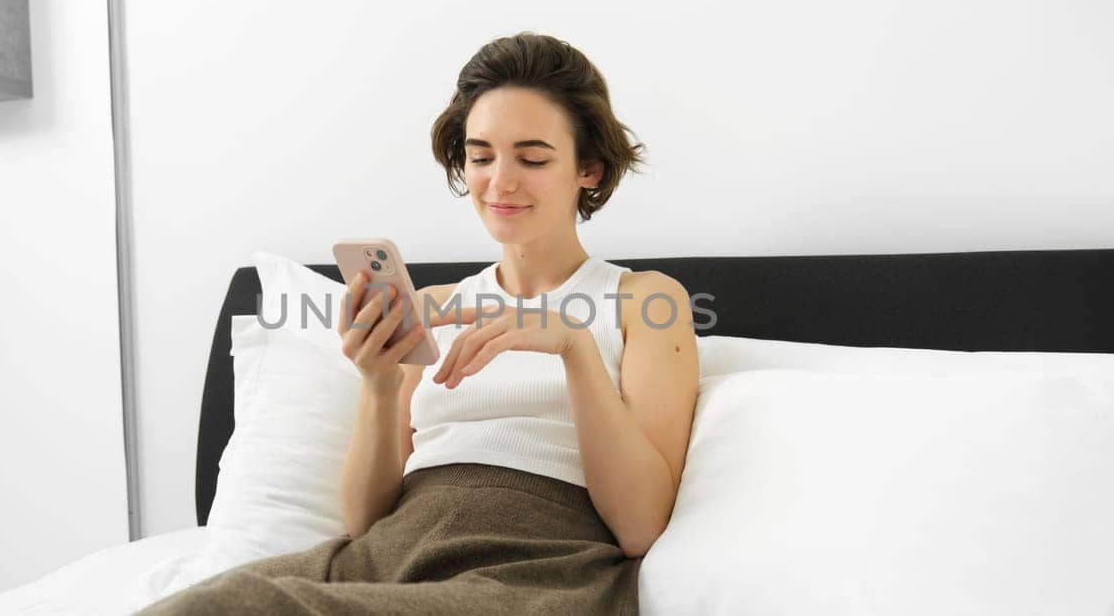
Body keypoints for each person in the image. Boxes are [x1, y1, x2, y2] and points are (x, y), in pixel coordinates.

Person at [138, 31, 700, 615]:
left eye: (532, 158)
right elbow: (363, 520)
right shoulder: (434, 305)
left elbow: (640, 528)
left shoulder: (645, 301)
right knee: (216, 601)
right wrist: (379, 386)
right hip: (391, 553)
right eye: (480, 156)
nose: (499, 181)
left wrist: (573, 347)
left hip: (538, 569)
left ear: (590, 168)